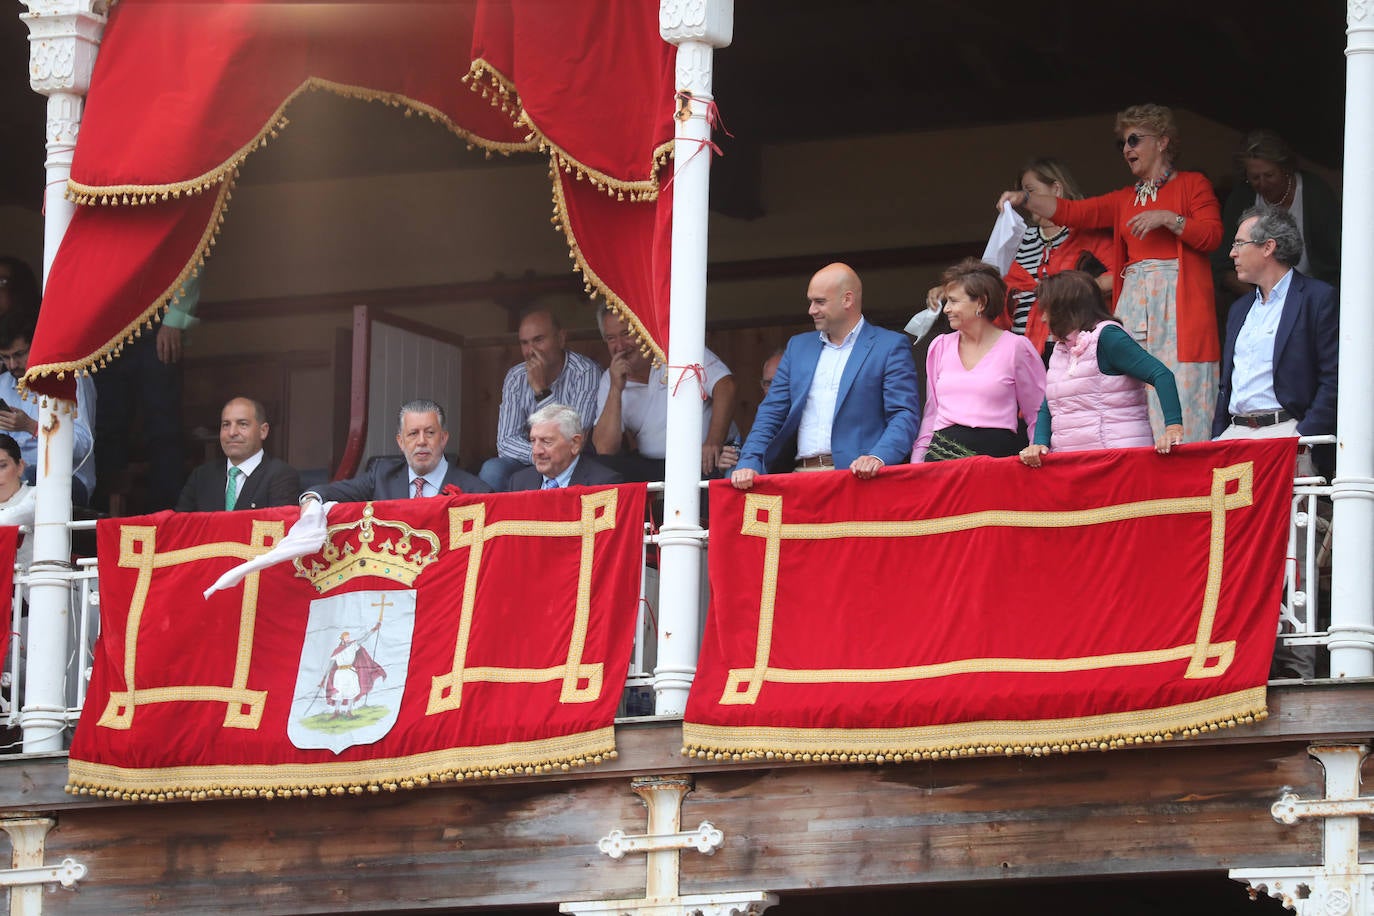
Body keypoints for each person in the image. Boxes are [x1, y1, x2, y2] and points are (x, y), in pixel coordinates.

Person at [1002, 104, 1222, 442]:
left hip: (1180, 308)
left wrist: (1168, 218)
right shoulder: (1123, 198)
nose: (1126, 149)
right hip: (1133, 303)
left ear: (1162, 141)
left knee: (1181, 386)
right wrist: (1025, 198)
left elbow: (1212, 237)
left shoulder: (1193, 185)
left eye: (1134, 140)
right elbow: (1072, 212)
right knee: (1129, 389)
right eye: (1122, 143)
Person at [731, 262, 919, 488]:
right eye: (811, 301)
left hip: (860, 479)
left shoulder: (889, 346)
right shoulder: (798, 346)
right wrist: (749, 460)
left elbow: (903, 414)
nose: (811, 310)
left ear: (847, 300)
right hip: (799, 477)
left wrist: (879, 457)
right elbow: (771, 412)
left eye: (820, 302)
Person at [1213, 206, 1339, 478]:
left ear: (1268, 247)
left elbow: (1334, 377)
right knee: (1229, 522)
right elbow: (1227, 383)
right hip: (1234, 436)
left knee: (1290, 521)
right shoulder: (1240, 309)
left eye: (1239, 243)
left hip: (1286, 434)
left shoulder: (1317, 298)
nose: (1232, 253)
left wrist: (1303, 437)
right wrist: (1218, 436)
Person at [1017, 272, 1183, 468]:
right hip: (1077, 463)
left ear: (1067, 309)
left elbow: (1161, 374)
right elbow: (1049, 404)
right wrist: (1039, 444)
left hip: (1118, 461)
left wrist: (1173, 428)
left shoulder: (1108, 336)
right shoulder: (1062, 348)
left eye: (1047, 310)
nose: (1043, 319)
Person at [913, 258, 1045, 462]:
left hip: (995, 458)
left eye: (954, 301)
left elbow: (1037, 411)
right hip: (942, 457)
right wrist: (918, 461)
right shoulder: (939, 346)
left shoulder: (1016, 347)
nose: (946, 309)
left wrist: (1039, 451)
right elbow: (932, 412)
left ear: (981, 302)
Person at [591, 305, 738, 481]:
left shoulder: (675, 352)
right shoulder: (610, 378)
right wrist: (616, 388)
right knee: (602, 468)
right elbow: (604, 448)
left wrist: (714, 441)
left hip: (705, 459)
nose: (620, 346)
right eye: (611, 338)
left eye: (626, 334)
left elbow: (725, 386)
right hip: (655, 466)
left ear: (643, 330)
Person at [95, 272, 199, 513]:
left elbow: (194, 255)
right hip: (105, 330)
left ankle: (168, 517)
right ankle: (102, 521)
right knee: (106, 430)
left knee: (164, 430)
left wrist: (174, 320)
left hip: (155, 324)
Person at [999, 158, 1114, 358]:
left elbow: (1122, 275)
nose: (1025, 200)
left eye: (1030, 191)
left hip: (1076, 354)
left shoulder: (1090, 237)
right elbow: (993, 284)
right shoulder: (1019, 239)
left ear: (1057, 190)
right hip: (1023, 354)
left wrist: (1070, 292)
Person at [479, 309, 603, 491]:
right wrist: (540, 454)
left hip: (576, 460)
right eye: (524, 343)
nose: (531, 351)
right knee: (493, 470)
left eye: (538, 340)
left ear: (560, 339)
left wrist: (541, 390)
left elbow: (576, 437)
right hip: (533, 459)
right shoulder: (516, 376)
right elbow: (506, 441)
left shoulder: (585, 372)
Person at [1214, 130, 1341, 307]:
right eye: (1255, 177)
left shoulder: (1316, 194)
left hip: (1313, 297)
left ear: (1285, 169)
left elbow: (1339, 256)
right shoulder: (1242, 198)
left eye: (1269, 175)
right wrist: (1263, 300)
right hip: (1258, 297)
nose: (1262, 183)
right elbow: (1222, 267)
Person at [304, 398, 491, 503]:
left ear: (443, 438)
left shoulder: (476, 490)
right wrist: (312, 499)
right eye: (412, 434)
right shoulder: (380, 477)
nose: (421, 442)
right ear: (400, 442)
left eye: (430, 433)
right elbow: (333, 491)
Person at [0, 311, 96, 505]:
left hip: (67, 477)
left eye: (19, 355)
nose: (12, 365)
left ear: (37, 346)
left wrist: (32, 426)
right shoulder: (2, 384)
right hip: (10, 475)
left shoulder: (69, 378)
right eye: (5, 357)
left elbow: (83, 446)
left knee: (21, 478)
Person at [175, 397, 302, 512]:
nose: (232, 432)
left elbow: (280, 529)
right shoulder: (201, 476)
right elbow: (180, 527)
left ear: (263, 431)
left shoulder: (281, 475)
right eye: (226, 425)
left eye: (242, 424)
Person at [509, 403, 623, 490]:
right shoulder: (518, 482)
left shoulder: (604, 484)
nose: (536, 451)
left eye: (546, 441)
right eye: (533, 441)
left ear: (575, 444)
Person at [0, 434, 36, 571]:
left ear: (20, 466)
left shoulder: (39, 495)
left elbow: (8, 518)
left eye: (2, 466)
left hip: (31, 589)